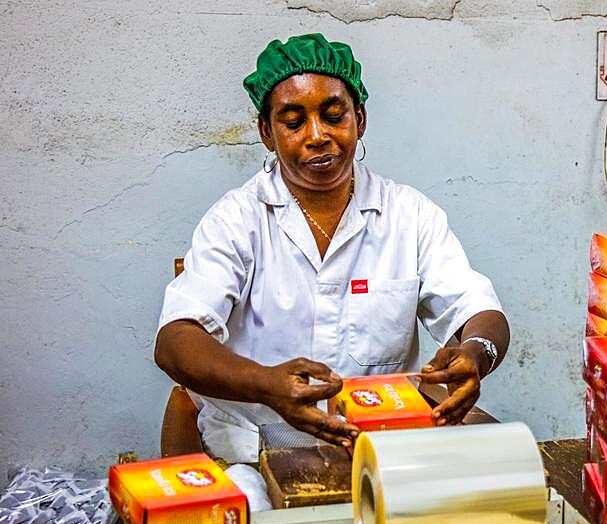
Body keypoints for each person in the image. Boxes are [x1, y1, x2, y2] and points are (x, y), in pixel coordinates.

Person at [154, 34, 509, 463]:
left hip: (383, 448)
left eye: (333, 115)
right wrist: (266, 384)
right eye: (293, 121)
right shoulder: (236, 220)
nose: (317, 136)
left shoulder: (410, 215)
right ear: (267, 133)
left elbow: (479, 312)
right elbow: (176, 340)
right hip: (254, 450)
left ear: (359, 119)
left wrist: (476, 353)